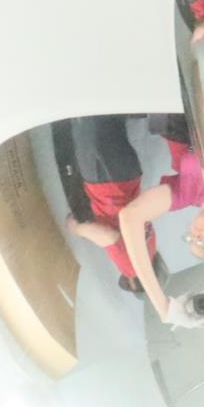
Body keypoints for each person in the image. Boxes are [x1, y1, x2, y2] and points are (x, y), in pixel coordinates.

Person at [117, 134, 204, 325]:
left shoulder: (188, 194)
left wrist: (163, 307)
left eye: (191, 238)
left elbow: (130, 217)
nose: (196, 235)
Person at [57, 115, 156, 294]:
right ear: (136, 283)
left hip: (129, 175)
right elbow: (109, 236)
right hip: (107, 184)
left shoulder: (151, 249)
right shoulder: (133, 269)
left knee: (107, 118)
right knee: (87, 120)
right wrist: (76, 228)